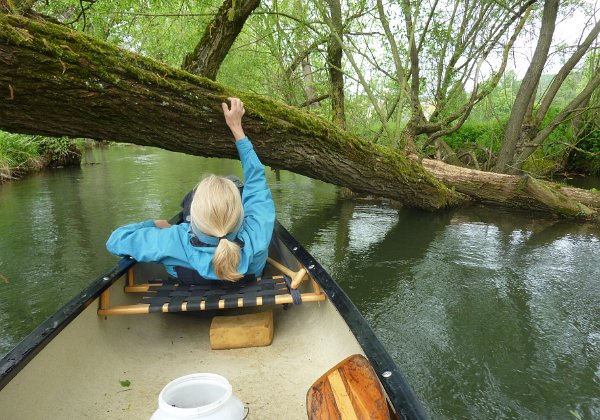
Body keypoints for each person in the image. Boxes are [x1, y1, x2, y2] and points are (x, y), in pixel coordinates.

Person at [106, 97, 275, 281]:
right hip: (247, 296)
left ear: (192, 216)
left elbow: (115, 240)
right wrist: (237, 128)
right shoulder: (257, 231)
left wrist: (154, 225)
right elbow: (256, 178)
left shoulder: (172, 240)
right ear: (241, 214)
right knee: (235, 182)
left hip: (194, 301)